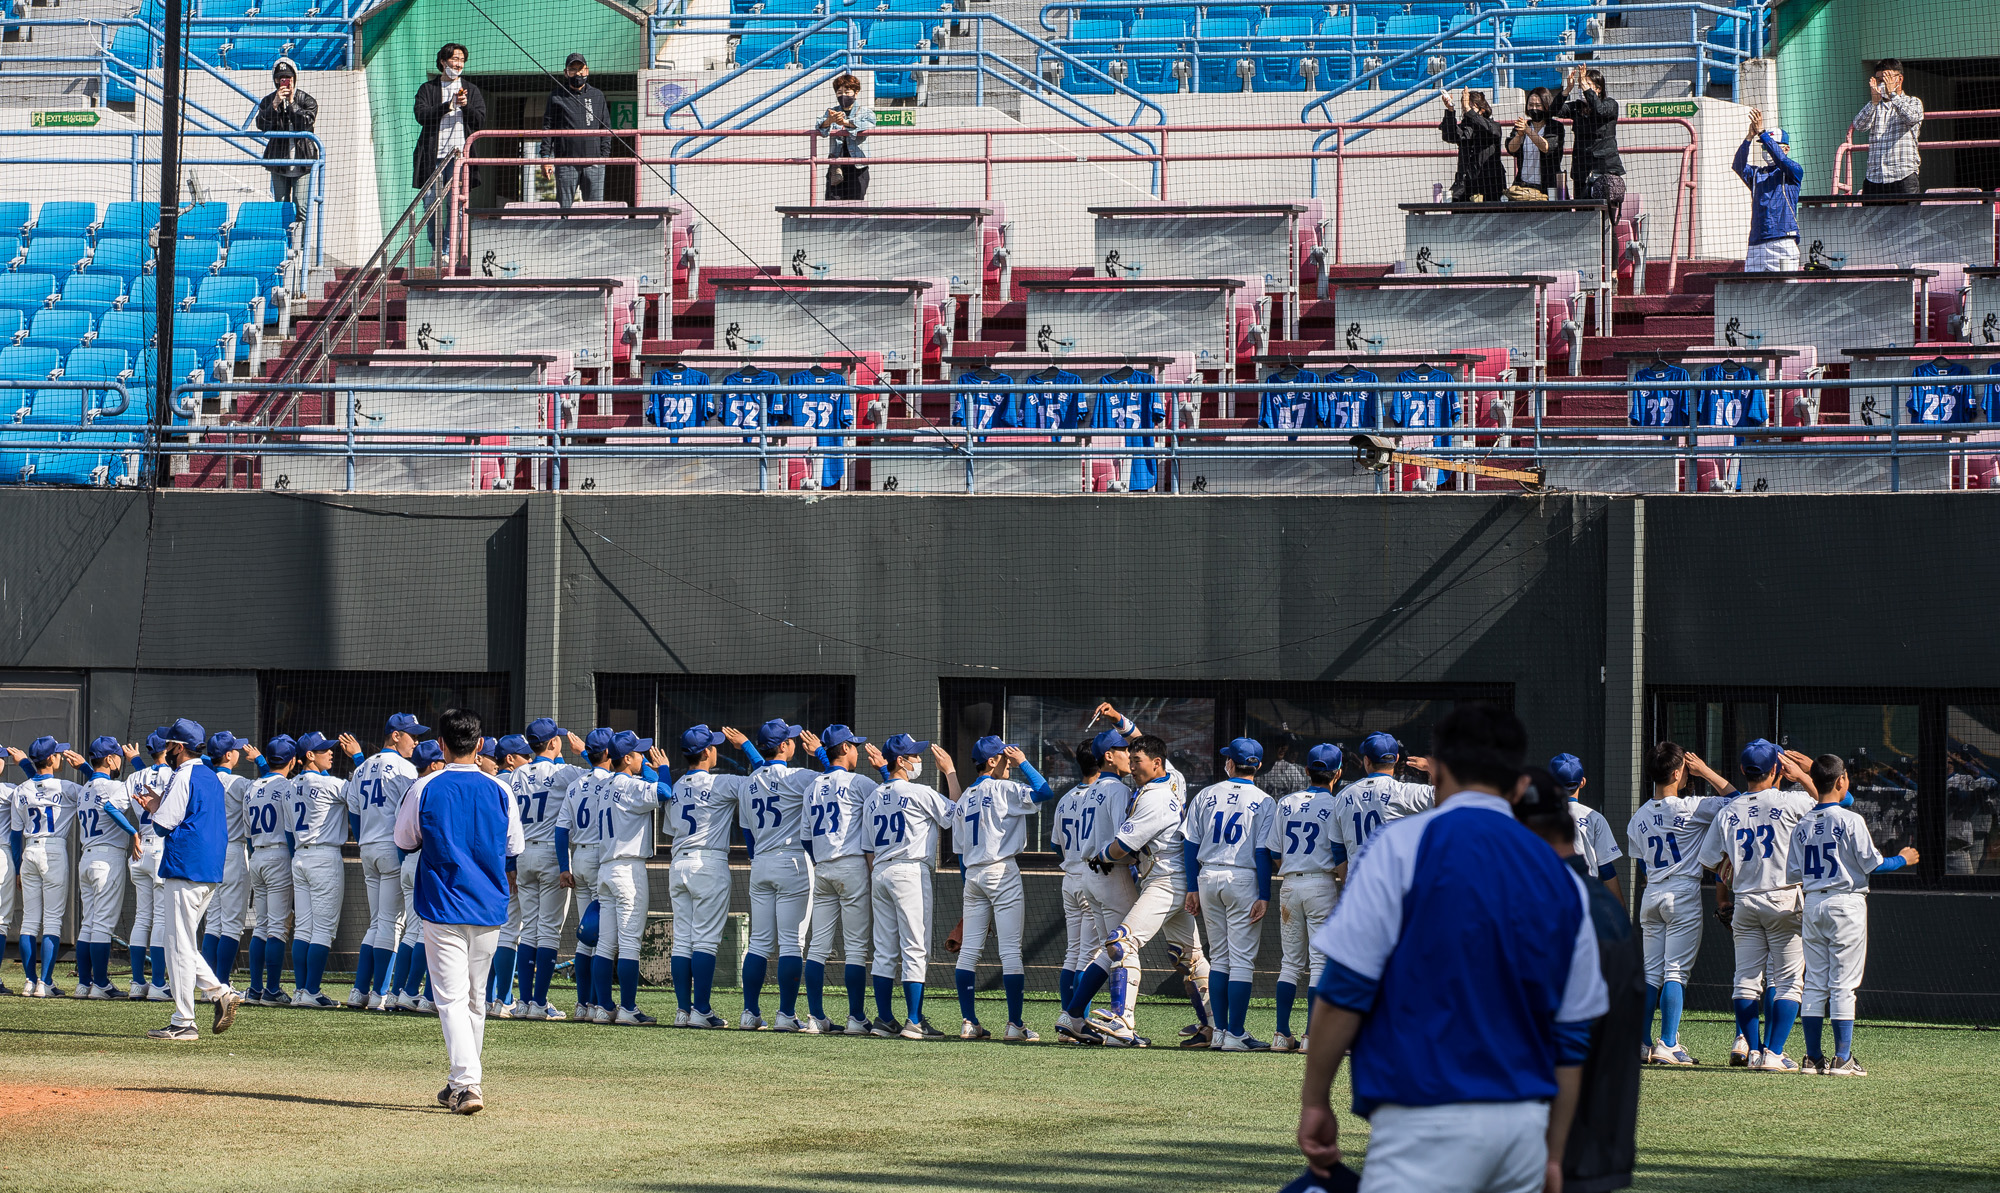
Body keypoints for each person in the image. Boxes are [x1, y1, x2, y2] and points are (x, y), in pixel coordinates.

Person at [1297, 704, 1607, 1193]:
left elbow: (1345, 988)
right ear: (1520, 783)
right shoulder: (1561, 876)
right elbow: (1572, 1036)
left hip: (1422, 1117)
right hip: (1523, 1127)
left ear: (1436, 770)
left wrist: (1316, 1100)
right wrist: (1552, 1150)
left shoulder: (1398, 846)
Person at [1515, 765, 1643, 1193]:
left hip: (1544, 1137)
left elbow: (1561, 1038)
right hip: (1605, 1133)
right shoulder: (1607, 914)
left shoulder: (1539, 905)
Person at [393, 708, 523, 1114]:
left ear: (443, 746)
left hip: (442, 900)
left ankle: (467, 1083)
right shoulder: (500, 789)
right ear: (480, 745)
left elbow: (404, 839)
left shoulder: (425, 786)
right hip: (488, 902)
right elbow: (513, 847)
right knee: (474, 998)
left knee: (450, 999)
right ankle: (459, 1082)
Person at [1059, 733, 1211, 1048]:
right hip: (1158, 875)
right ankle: (1214, 1027)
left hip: (1164, 878)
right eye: (1127, 755)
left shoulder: (1148, 795)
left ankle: (1122, 1022)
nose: (1131, 761)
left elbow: (1121, 847)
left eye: (1136, 758)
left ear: (1157, 763)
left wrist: (1101, 854)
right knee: (1189, 956)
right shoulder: (1171, 781)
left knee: (1119, 943)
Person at [1787, 753, 1919, 1076]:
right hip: (1846, 903)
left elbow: (1793, 874)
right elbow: (1875, 864)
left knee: (1816, 983)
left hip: (1813, 902)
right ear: (1842, 780)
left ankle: (1812, 1058)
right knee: (1843, 984)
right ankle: (1842, 1058)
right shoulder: (1851, 820)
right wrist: (1902, 859)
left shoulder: (1802, 824)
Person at [1696, 740, 1819, 1072]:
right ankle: (1774, 1053)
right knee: (1790, 980)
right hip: (1784, 897)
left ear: (1742, 770)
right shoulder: (1793, 801)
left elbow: (1708, 861)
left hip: (1746, 900)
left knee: (1745, 980)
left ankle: (1753, 1050)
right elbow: (1831, 803)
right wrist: (1806, 774)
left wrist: (1730, 867)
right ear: (1777, 769)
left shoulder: (1728, 810)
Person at [129, 718, 247, 1041]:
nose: (166, 749)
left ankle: (186, 1020)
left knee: (178, 943)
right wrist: (159, 805)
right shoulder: (210, 775)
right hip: (209, 869)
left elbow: (164, 825)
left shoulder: (183, 775)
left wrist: (155, 807)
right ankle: (219, 994)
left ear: (179, 748)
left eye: (170, 745)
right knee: (180, 942)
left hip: (185, 865)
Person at [1625, 740, 1736, 1066]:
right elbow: (1739, 800)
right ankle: (1669, 1044)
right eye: (1685, 770)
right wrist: (1705, 771)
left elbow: (1643, 863)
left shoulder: (1638, 817)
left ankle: (1642, 1043)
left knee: (1650, 973)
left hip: (1652, 893)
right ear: (1676, 772)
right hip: (1682, 893)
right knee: (1675, 972)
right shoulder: (1693, 806)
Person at [947, 736, 1056, 1042]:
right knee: (1009, 951)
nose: (1009, 762)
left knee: (969, 953)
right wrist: (1023, 761)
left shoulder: (964, 798)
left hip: (973, 876)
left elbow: (959, 852)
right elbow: (1044, 791)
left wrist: (970, 890)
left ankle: (968, 1022)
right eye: (1005, 758)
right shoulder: (1004, 788)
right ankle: (1015, 1025)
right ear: (992, 761)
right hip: (1001, 871)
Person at [861, 734, 960, 1038]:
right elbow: (957, 813)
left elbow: (867, 849)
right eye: (914, 756)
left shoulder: (873, 796)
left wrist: (880, 875)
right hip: (910, 871)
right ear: (900, 761)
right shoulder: (921, 792)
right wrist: (950, 772)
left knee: (884, 949)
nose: (919, 760)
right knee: (915, 947)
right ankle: (914, 1021)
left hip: (880, 871)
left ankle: (884, 1019)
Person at [1182, 738, 1277, 1052]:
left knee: (1220, 957)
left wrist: (1192, 886)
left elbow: (1190, 844)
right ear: (1258, 765)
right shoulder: (1264, 800)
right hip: (1243, 876)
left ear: (1230, 763)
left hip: (1208, 874)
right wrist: (1265, 893)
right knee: (1242, 961)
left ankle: (1221, 1032)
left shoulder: (1208, 794)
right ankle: (1234, 1033)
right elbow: (1263, 852)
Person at [663, 724, 761, 1027]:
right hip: (708, 863)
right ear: (707, 752)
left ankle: (683, 1011)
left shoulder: (676, 786)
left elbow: (669, 829)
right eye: (714, 745)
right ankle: (702, 1011)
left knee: (682, 941)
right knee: (704, 941)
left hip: (678, 864)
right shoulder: (722, 782)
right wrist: (745, 746)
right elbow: (763, 776)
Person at [740, 720, 824, 1032]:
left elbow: (747, 833)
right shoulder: (799, 776)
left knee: (759, 941)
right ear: (784, 746)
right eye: (789, 739)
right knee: (792, 942)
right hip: (792, 863)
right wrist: (819, 753)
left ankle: (749, 1013)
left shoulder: (748, 782)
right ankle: (786, 1015)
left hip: (760, 861)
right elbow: (833, 779)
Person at [591, 732, 672, 1026]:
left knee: (604, 944)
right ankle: (627, 1008)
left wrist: (641, 767)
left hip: (606, 868)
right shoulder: (633, 786)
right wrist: (661, 767)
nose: (643, 757)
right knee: (628, 945)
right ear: (626, 758)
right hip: (628, 869)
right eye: (638, 753)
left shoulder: (602, 786)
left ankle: (602, 1007)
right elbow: (664, 791)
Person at [1268, 742, 1345, 1053]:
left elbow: (1274, 851)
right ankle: (1312, 1036)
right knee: (1320, 963)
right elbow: (1340, 851)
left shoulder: (1286, 802)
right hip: (1322, 884)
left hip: (1289, 884)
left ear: (1305, 770)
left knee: (1290, 963)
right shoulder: (1338, 804)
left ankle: (1280, 1034)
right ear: (1338, 773)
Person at [804, 725, 878, 1035]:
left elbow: (806, 838)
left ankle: (815, 1017)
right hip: (851, 866)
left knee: (817, 947)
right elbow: (893, 793)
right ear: (845, 748)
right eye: (854, 746)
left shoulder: (811, 786)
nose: (858, 751)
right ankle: (856, 1018)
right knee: (856, 949)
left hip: (822, 867)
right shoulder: (861, 782)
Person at [346, 717, 422, 1009]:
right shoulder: (405, 768)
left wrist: (364, 835)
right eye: (411, 736)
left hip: (367, 847)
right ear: (395, 736)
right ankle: (379, 993)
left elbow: (353, 810)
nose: (414, 742)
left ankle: (358, 991)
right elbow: (410, 809)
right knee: (392, 924)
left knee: (377, 922)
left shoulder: (362, 766)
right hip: (393, 847)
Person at [9, 736, 83, 997]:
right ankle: (46, 983)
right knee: (51, 921)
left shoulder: (20, 790)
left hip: (29, 851)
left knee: (29, 921)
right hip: (53, 850)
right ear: (51, 758)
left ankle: (30, 981)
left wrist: (18, 867)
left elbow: (14, 835)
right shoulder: (67, 787)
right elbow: (97, 792)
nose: (61, 757)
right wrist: (85, 767)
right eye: (58, 754)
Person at [75, 736, 143, 999]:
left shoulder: (84, 789)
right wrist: (133, 832)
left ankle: (84, 983)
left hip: (87, 857)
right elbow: (114, 804)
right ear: (110, 759)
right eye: (116, 757)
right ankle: (101, 984)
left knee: (88, 923)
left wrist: (84, 768)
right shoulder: (115, 787)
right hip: (107, 858)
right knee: (101, 924)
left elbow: (98, 786)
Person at [1051, 744, 1108, 1037]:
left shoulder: (1065, 799)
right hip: (1092, 877)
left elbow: (1054, 845)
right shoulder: (1104, 794)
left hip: (1069, 877)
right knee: (1088, 954)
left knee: (1073, 953)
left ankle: (1067, 1019)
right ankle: (1076, 1021)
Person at [413, 42, 485, 264]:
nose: (459, 64)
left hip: (459, 159)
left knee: (458, 205)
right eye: (454, 59)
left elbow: (481, 120)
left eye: (462, 60)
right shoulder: (428, 89)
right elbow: (421, 115)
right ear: (443, 62)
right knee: (430, 204)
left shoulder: (471, 90)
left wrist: (465, 106)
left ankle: (448, 251)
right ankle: (438, 248)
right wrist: (447, 106)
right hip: (432, 158)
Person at [242, 735, 298, 1007]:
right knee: (277, 926)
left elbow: (247, 831)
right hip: (278, 854)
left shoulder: (251, 787)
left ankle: (255, 989)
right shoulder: (288, 786)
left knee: (261, 926)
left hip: (257, 855)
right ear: (293, 761)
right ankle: (273, 990)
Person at [1327, 732, 1433, 873]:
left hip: (1359, 884)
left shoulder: (1343, 795)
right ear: (1396, 758)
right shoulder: (1404, 792)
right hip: (1392, 885)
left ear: (1367, 760)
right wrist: (1431, 767)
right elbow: (1453, 796)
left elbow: (1338, 848)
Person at [539, 53, 613, 209]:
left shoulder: (597, 95)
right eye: (573, 69)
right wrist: (545, 157)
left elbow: (606, 128)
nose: (577, 73)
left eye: (581, 69)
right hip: (566, 162)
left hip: (594, 163)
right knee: (563, 210)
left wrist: (603, 158)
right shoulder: (556, 96)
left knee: (595, 211)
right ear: (566, 72)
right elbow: (548, 128)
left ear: (587, 71)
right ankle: (562, 233)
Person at [1550, 753, 1624, 903]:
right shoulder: (1594, 817)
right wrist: (1620, 907)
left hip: (1551, 894)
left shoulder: (1537, 817)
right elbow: (1606, 868)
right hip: (1586, 896)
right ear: (1582, 782)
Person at [254, 56, 317, 233]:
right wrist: (275, 104)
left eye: (287, 78)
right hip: (278, 162)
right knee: (280, 206)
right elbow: (262, 124)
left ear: (294, 79)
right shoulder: (269, 101)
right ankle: (283, 244)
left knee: (301, 206)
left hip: (303, 162)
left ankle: (301, 246)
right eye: (280, 78)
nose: (284, 82)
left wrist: (291, 103)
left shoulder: (307, 100)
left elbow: (304, 123)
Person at [1735, 111, 1803, 272]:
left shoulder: (1793, 171)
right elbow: (1738, 165)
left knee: (1785, 293)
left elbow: (1782, 160)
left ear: (1786, 149)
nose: (1766, 150)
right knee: (1753, 292)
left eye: (1770, 145)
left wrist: (1763, 134)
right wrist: (1749, 138)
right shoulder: (1757, 174)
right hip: (1756, 242)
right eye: (1764, 146)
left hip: (1783, 240)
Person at [1850, 59, 1924, 194]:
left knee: (1909, 215)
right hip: (1875, 178)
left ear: (1899, 79)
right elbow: (1859, 125)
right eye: (1878, 80)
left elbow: (1912, 118)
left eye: (1886, 79)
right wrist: (1873, 103)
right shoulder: (1874, 106)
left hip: (1903, 176)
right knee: (1869, 215)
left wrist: (1893, 95)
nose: (1882, 84)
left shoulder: (1913, 102)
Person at [1559, 66, 1626, 211]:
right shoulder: (1576, 107)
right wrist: (1566, 90)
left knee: (1606, 212)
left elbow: (1599, 110)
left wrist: (1586, 90)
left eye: (1587, 85)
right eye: (1581, 85)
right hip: (1581, 170)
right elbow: (1554, 110)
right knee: (1583, 213)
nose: (1582, 89)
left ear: (1598, 88)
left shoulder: (1610, 104)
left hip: (1605, 170)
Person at [816, 73, 875, 201]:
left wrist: (846, 123)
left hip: (858, 165)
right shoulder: (831, 111)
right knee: (833, 202)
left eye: (847, 92)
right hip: (837, 166)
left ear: (856, 92)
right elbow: (819, 127)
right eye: (839, 92)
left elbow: (870, 124)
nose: (843, 95)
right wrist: (829, 121)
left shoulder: (865, 112)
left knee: (856, 203)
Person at [1441, 88, 1505, 203]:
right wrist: (1450, 111)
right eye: (1464, 107)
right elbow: (1450, 136)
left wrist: (1468, 109)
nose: (1466, 111)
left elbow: (1489, 129)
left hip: (1490, 184)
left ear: (1482, 109)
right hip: (1465, 184)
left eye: (1470, 107)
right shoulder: (1466, 128)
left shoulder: (1494, 126)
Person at [1507, 86, 1566, 200]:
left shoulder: (1555, 127)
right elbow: (1511, 148)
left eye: (1538, 105)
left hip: (1547, 187)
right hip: (1523, 186)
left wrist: (1528, 131)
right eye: (1530, 105)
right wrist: (1519, 135)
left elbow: (1546, 147)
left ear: (1546, 106)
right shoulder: (1522, 125)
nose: (1534, 108)